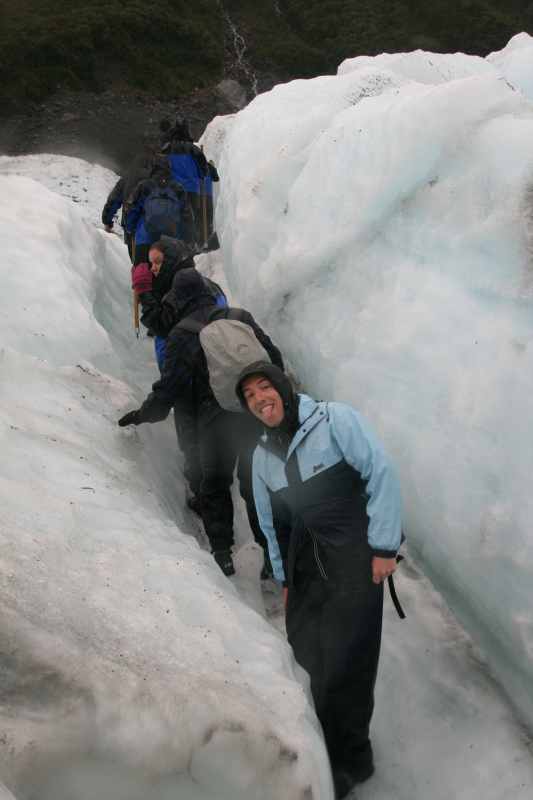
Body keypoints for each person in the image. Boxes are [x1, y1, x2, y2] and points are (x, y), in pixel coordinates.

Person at [235, 362, 403, 800]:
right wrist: (285, 575)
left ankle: (352, 760)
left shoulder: (333, 420)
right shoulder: (262, 456)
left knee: (350, 660)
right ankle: (321, 740)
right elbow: (273, 523)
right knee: (307, 648)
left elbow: (380, 473)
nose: (259, 399)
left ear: (283, 388)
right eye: (249, 396)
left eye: (263, 388)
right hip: (306, 557)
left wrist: (385, 548)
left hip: (353, 552)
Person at [118, 269, 284, 577]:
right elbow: (273, 359)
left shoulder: (182, 333)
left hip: (214, 420)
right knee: (255, 484)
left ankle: (223, 554)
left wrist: (144, 414)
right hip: (252, 414)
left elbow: (171, 386)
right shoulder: (240, 316)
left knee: (215, 483)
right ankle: (273, 557)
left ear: (178, 298)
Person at [131, 240, 227, 510]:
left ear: (174, 260)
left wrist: (144, 290)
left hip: (190, 375)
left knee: (193, 438)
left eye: (158, 262)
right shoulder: (202, 286)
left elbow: (161, 323)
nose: (154, 268)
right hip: (205, 373)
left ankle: (205, 500)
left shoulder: (182, 288)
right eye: (151, 264)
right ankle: (210, 492)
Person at [125, 157, 195, 265]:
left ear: (153, 169)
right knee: (170, 275)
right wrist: (188, 239)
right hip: (172, 240)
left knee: (142, 273)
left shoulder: (144, 186)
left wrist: (130, 228)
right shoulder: (178, 188)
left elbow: (132, 209)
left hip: (145, 239)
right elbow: (187, 215)